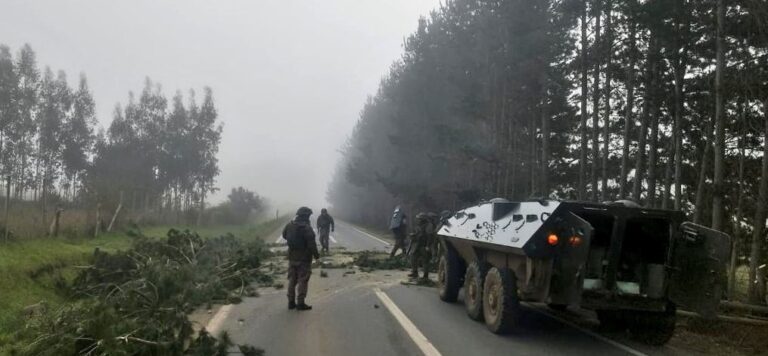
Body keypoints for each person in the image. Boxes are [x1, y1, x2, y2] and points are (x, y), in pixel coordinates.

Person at [282, 207, 320, 311]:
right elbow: (312, 244)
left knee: (292, 280)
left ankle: (291, 302)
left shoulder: (290, 225)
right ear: (306, 216)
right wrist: (317, 257)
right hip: (304, 258)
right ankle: (300, 303)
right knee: (303, 279)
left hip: (292, 257)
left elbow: (284, 235)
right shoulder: (306, 228)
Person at [408, 212, 436, 281]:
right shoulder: (418, 225)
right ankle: (415, 272)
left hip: (424, 245)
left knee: (425, 261)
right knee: (413, 257)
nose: (418, 220)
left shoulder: (428, 225)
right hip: (417, 244)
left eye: (419, 218)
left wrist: (428, 246)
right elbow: (417, 233)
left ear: (422, 219)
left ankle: (425, 276)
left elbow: (429, 236)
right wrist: (413, 235)